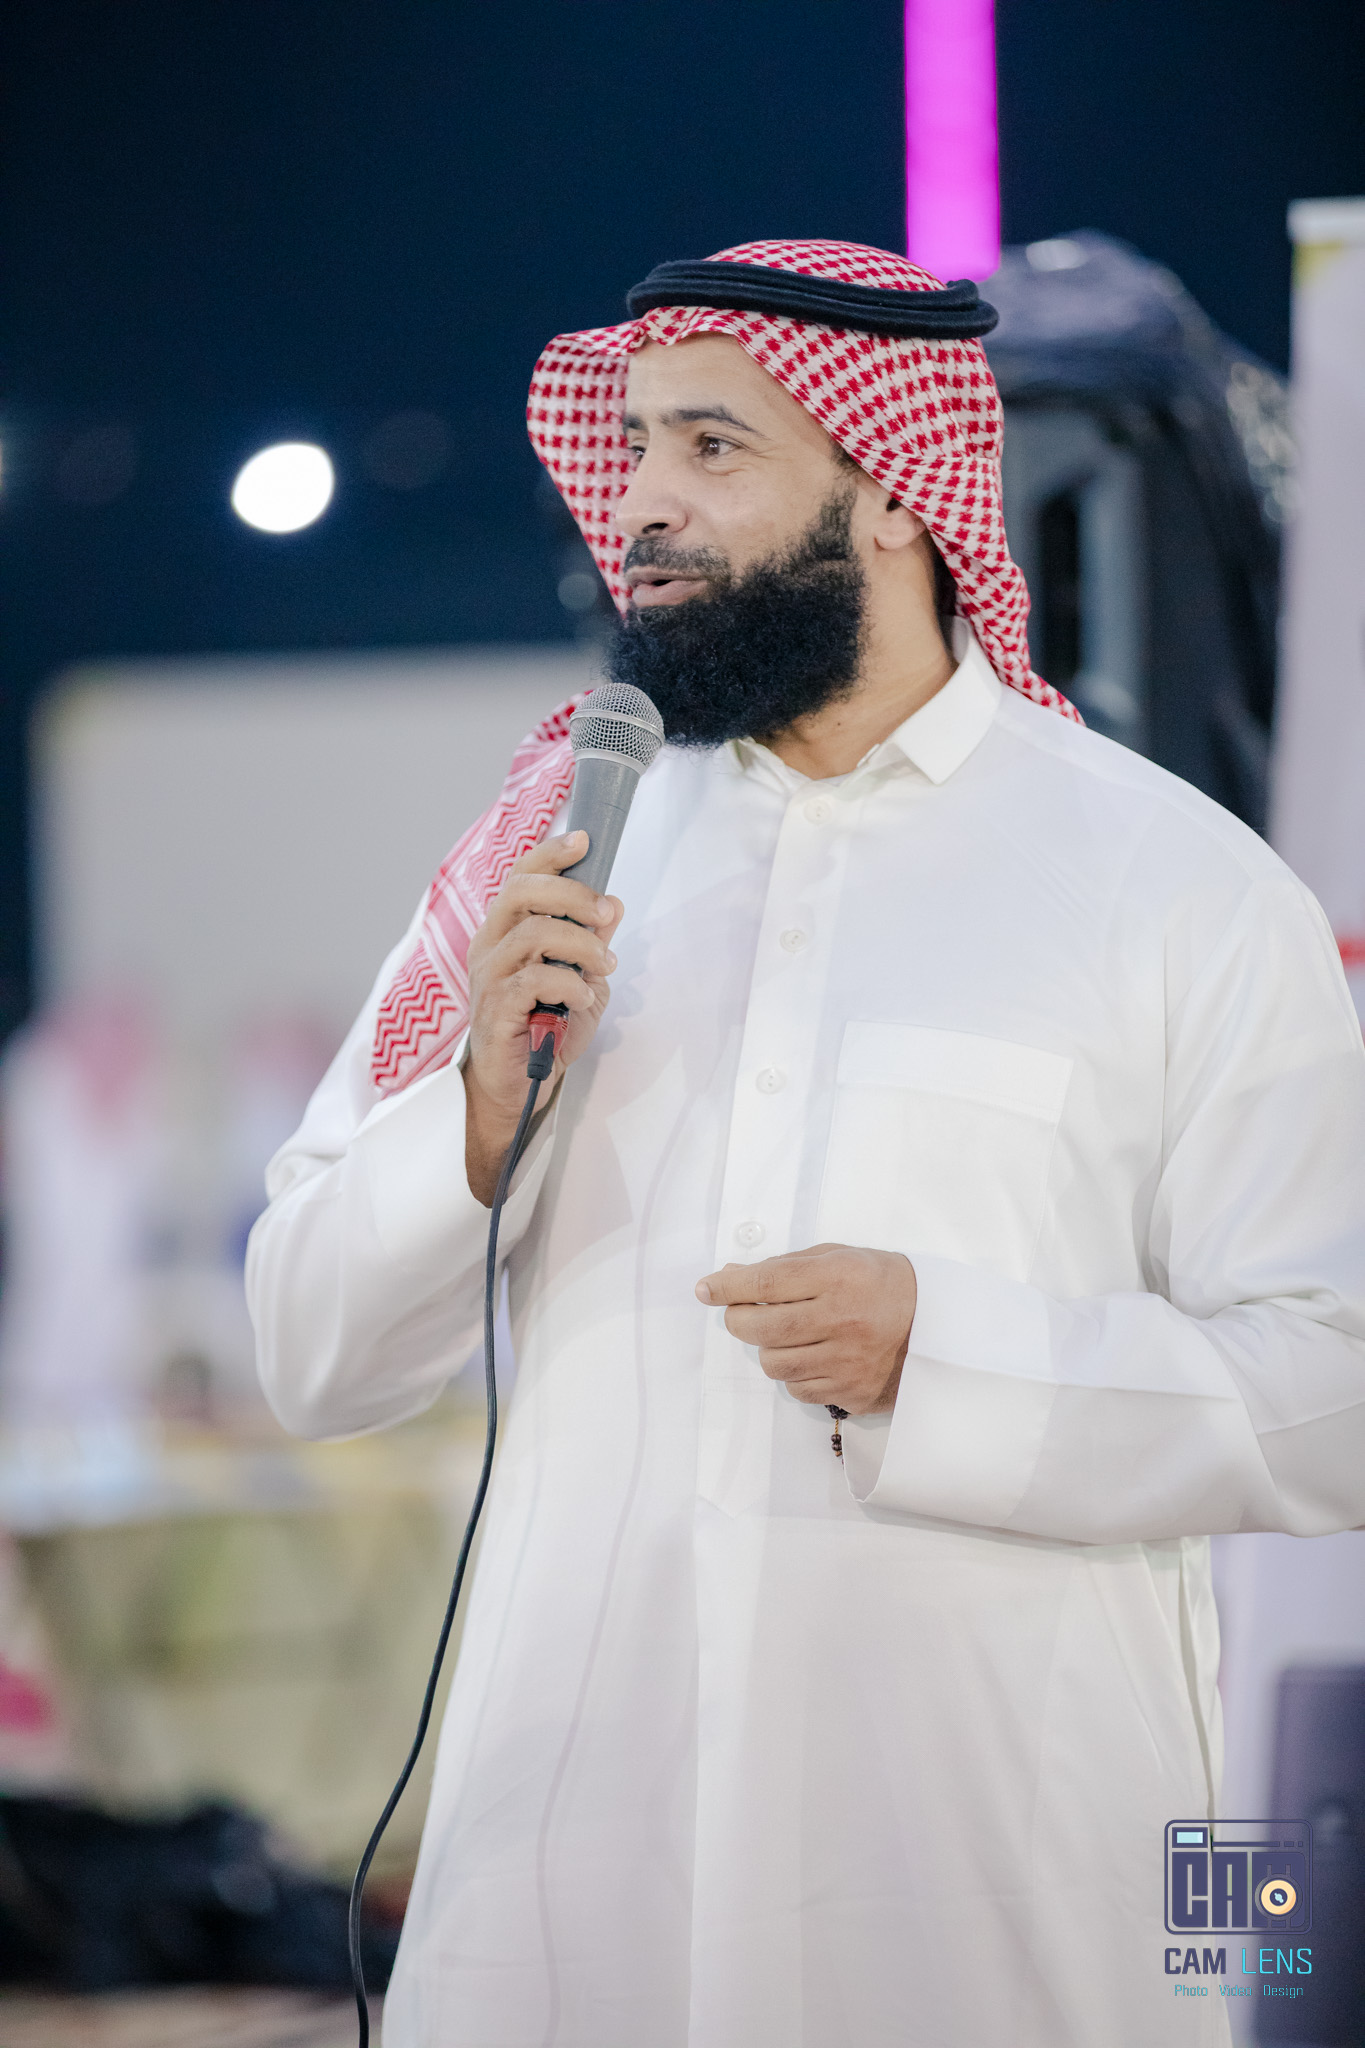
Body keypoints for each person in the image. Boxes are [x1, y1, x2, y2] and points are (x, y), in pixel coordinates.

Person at [247, 240, 1365, 2048]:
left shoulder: (1174, 888)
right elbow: (308, 1352)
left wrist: (954, 1355)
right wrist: (467, 1124)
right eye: (632, 447)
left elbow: (1334, 1388)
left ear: (899, 490)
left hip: (981, 1869)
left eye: (712, 447)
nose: (643, 506)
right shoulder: (554, 857)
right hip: (573, 1872)